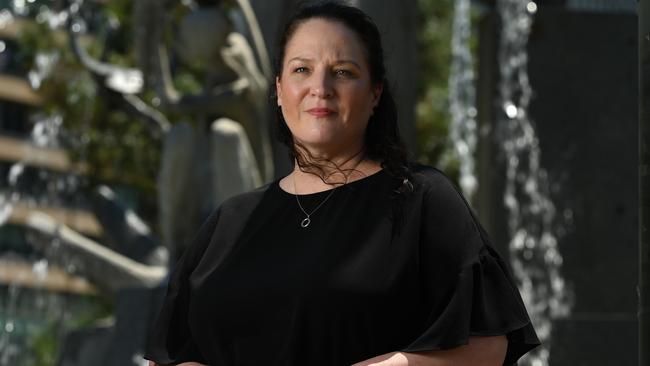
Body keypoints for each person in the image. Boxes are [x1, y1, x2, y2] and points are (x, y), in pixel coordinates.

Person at [144, 2, 541, 365]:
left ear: (374, 94)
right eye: (302, 70)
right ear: (279, 91)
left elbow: (487, 344)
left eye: (344, 72)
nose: (321, 87)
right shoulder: (228, 221)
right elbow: (170, 352)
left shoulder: (420, 200)